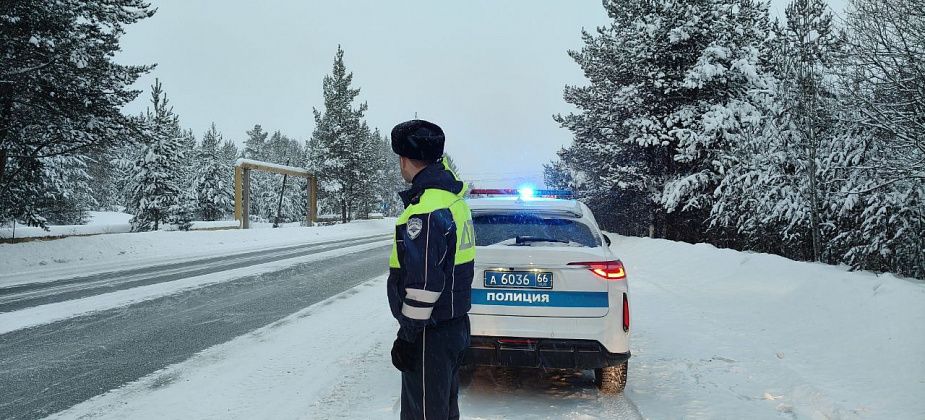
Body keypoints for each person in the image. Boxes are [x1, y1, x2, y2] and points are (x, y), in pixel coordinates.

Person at [387, 119, 475, 420]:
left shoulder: (425, 209)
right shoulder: (453, 200)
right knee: (443, 411)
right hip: (453, 326)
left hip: (430, 333)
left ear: (404, 159)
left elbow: (424, 286)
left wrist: (407, 337)